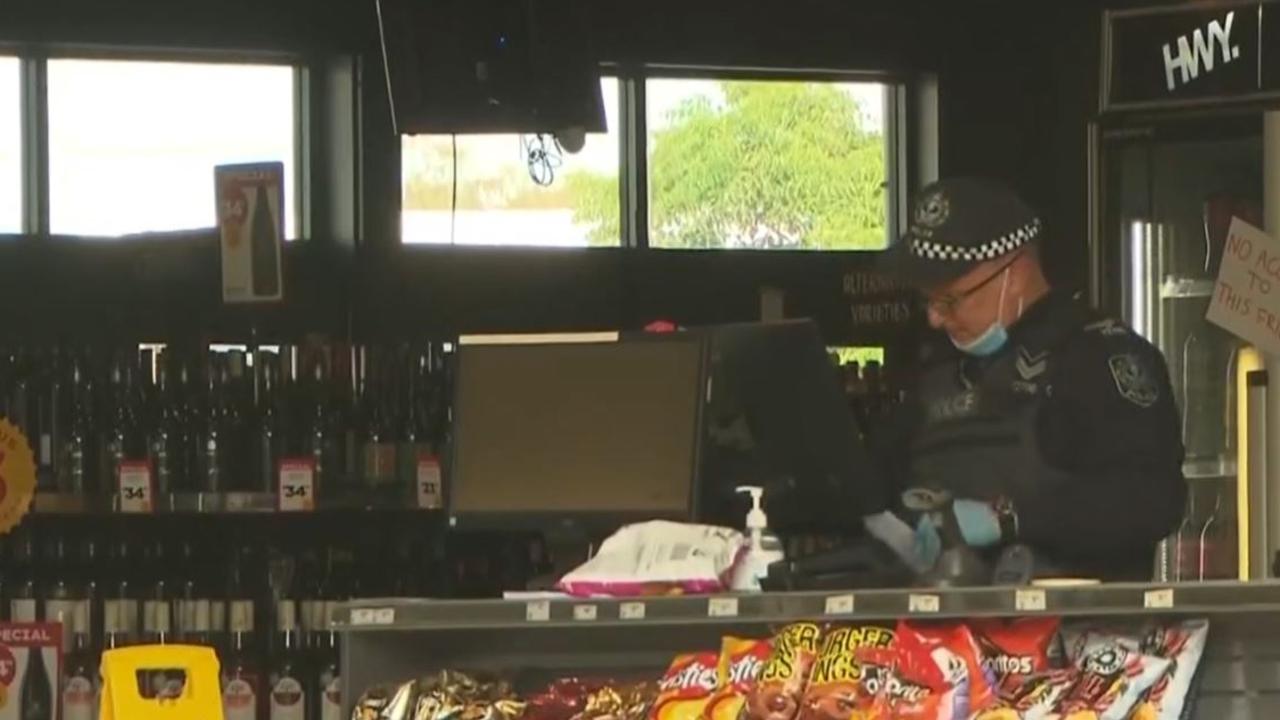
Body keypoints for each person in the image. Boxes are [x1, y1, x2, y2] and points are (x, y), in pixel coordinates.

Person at [870, 177, 1187, 581]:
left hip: (1076, 635)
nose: (935, 317)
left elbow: (1154, 499)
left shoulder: (1097, 357)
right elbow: (879, 479)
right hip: (944, 637)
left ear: (1014, 275)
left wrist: (1009, 518)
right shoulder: (935, 372)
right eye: (928, 300)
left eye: (950, 299)